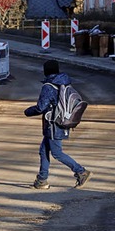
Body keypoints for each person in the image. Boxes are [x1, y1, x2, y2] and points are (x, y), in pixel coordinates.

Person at [24, 60, 92, 189]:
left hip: (53, 124)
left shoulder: (49, 86)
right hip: (59, 122)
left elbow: (41, 107)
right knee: (43, 151)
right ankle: (42, 180)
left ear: (46, 71)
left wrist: (28, 112)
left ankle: (81, 171)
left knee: (57, 153)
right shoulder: (64, 83)